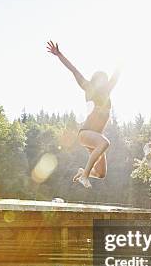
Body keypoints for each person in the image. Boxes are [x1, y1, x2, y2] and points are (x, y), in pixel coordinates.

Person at [47, 41, 120, 188]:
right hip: (86, 134)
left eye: (105, 82)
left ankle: (83, 172)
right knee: (105, 143)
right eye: (101, 82)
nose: (103, 85)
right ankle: (85, 175)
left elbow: (117, 73)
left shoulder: (107, 91)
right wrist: (59, 54)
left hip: (95, 140)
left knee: (101, 173)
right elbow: (74, 70)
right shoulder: (88, 87)